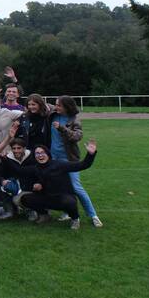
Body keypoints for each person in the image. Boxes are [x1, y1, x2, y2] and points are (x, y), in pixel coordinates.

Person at [11, 140, 99, 230]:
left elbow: (82, 165)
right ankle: (44, 215)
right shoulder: (35, 168)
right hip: (48, 199)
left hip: (63, 198)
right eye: (37, 153)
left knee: (69, 201)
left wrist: (90, 154)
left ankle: (75, 218)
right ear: (35, 156)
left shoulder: (59, 164)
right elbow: (19, 171)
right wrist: (4, 157)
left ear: (48, 154)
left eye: (42, 153)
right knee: (25, 199)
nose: (40, 155)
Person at [48, 95, 102, 227]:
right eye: (56, 104)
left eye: (59, 105)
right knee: (59, 187)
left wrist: (62, 128)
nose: (56, 107)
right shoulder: (52, 114)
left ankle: (93, 215)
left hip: (69, 159)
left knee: (76, 187)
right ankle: (67, 212)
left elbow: (77, 136)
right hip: (53, 158)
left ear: (67, 107)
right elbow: (37, 103)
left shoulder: (74, 120)